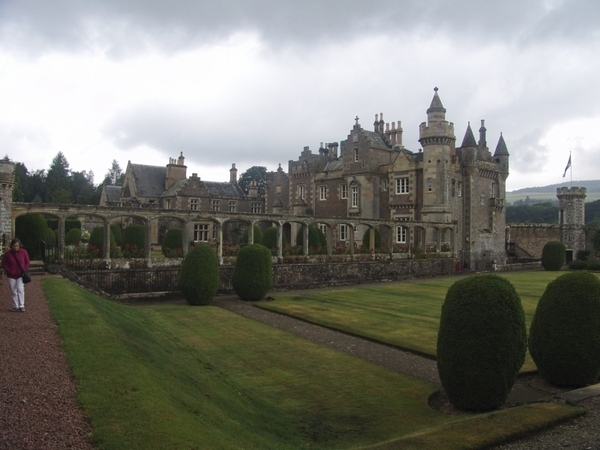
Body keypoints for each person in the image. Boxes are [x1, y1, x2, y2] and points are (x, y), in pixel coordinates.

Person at [2, 238, 31, 312]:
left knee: (20, 289)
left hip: (20, 275)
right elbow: (4, 264)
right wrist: (9, 270)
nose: (16, 247)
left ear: (19, 246)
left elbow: (27, 262)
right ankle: (15, 306)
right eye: (14, 246)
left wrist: (24, 269)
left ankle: (21, 305)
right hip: (11, 275)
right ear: (12, 246)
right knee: (13, 291)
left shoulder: (24, 252)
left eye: (17, 246)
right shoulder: (8, 254)